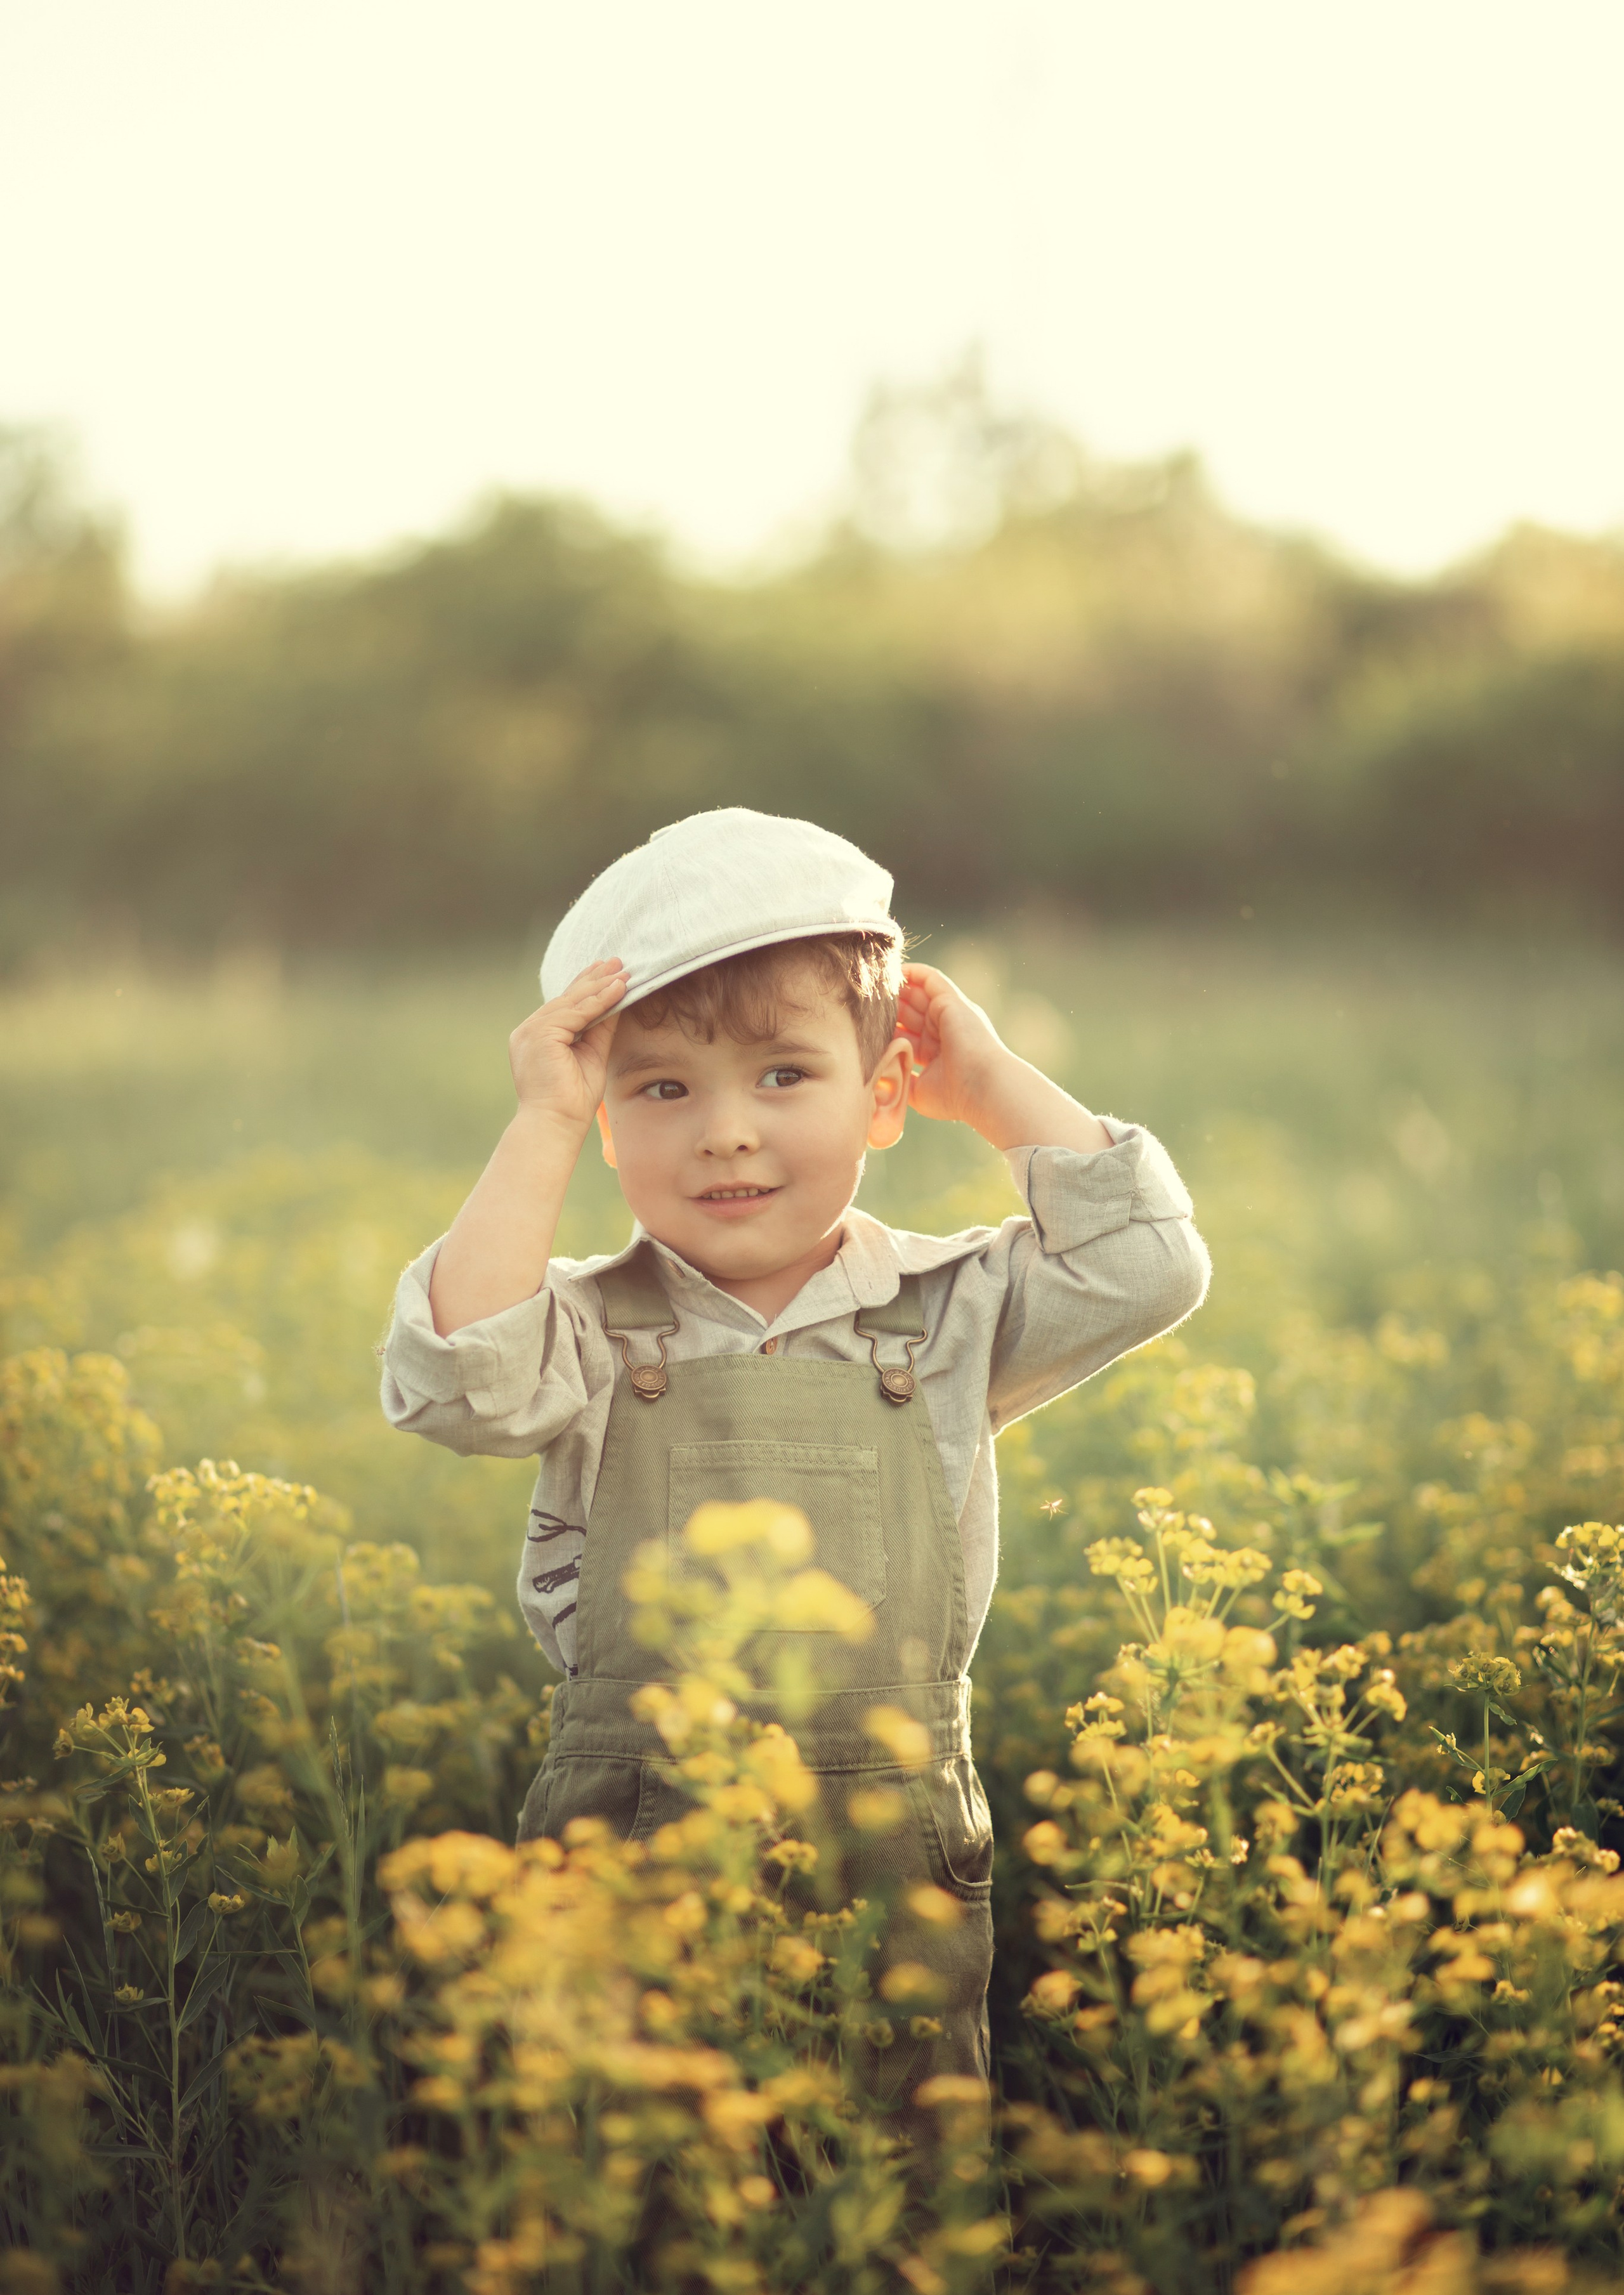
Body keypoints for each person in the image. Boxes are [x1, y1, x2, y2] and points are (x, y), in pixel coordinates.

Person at [379, 806, 1209, 2101]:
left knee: (895, 2192)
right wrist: (539, 1122)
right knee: (645, 2189)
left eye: (783, 1076)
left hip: (889, 1840)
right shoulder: (590, 1329)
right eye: (660, 1088)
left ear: (884, 1099)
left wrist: (985, 1084)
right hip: (635, 1828)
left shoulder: (947, 1315)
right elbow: (457, 1384)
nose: (723, 1131)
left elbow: (1146, 1265)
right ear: (607, 1122)